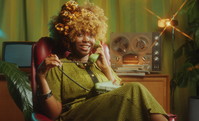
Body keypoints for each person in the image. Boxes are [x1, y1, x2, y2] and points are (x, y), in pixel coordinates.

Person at [36, 1, 168, 121]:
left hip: (110, 113)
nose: (87, 40)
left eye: (91, 35)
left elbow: (122, 93)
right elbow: (54, 114)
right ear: (68, 37)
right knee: (135, 88)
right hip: (76, 115)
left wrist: (106, 69)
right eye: (80, 34)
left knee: (134, 95)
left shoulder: (100, 65)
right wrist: (41, 76)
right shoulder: (59, 66)